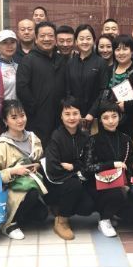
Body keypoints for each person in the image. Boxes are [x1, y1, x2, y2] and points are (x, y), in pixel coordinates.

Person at [0, 100, 47, 240]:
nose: (20, 120)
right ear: (5, 121)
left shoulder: (32, 138)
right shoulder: (1, 145)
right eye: (14, 117)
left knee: (42, 214)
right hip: (9, 190)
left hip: (30, 183)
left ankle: (20, 216)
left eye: (22, 115)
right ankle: (8, 224)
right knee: (31, 195)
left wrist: (37, 165)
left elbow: (41, 158)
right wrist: (13, 171)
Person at [82, 101, 133, 237]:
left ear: (120, 117)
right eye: (106, 118)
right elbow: (87, 168)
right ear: (100, 120)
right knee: (116, 193)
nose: (111, 121)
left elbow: (129, 165)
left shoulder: (126, 139)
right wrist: (112, 164)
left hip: (121, 183)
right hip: (97, 184)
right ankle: (104, 220)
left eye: (114, 116)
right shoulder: (93, 140)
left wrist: (129, 183)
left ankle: (112, 212)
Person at [43, 98, 95, 240]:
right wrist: (77, 171)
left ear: (81, 115)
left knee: (88, 206)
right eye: (67, 114)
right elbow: (53, 167)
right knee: (74, 184)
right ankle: (61, 221)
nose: (71, 118)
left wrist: (73, 166)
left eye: (75, 113)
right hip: (55, 184)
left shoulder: (85, 136)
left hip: (74, 181)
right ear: (61, 116)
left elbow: (87, 163)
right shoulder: (56, 136)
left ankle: (59, 208)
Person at [16, 21, 66, 146]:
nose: (47, 39)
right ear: (36, 39)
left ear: (55, 39)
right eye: (42, 36)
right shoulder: (28, 60)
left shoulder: (61, 60)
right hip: (37, 119)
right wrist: (35, 108)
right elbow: (22, 88)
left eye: (50, 36)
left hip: (60, 118)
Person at [65, 24, 109, 131]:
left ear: (94, 40)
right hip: (74, 116)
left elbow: (104, 91)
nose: (85, 42)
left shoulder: (101, 62)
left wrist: (92, 113)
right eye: (81, 39)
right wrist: (74, 111)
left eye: (88, 38)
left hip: (95, 116)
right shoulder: (70, 63)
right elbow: (67, 90)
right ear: (76, 41)